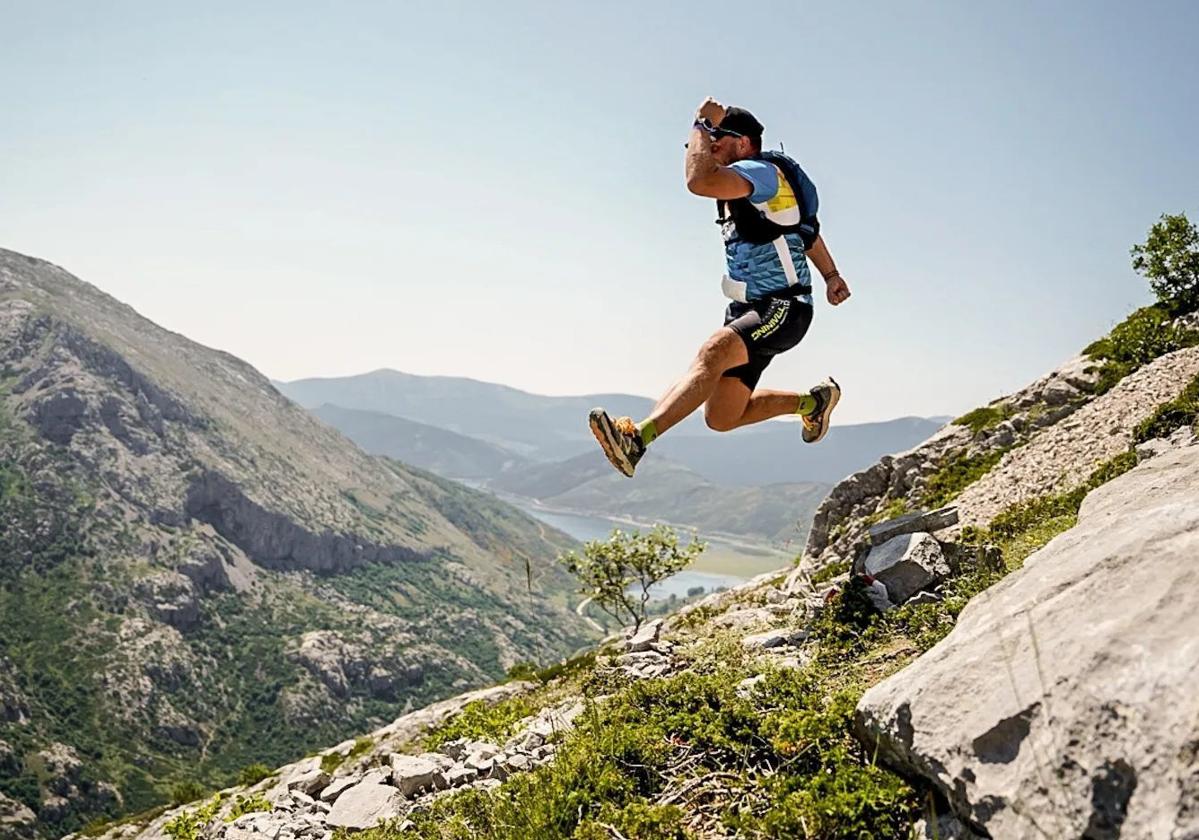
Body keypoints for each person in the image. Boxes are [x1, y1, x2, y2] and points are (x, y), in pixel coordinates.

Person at [589, 97, 852, 478]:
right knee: (722, 417)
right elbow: (804, 234)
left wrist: (700, 122)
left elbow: (699, 180)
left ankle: (636, 440)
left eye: (718, 140)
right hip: (750, 309)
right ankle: (814, 404)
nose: (709, 147)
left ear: (744, 143)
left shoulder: (762, 173)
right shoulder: (746, 189)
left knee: (713, 351)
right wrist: (832, 276)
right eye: (706, 141)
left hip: (783, 307)